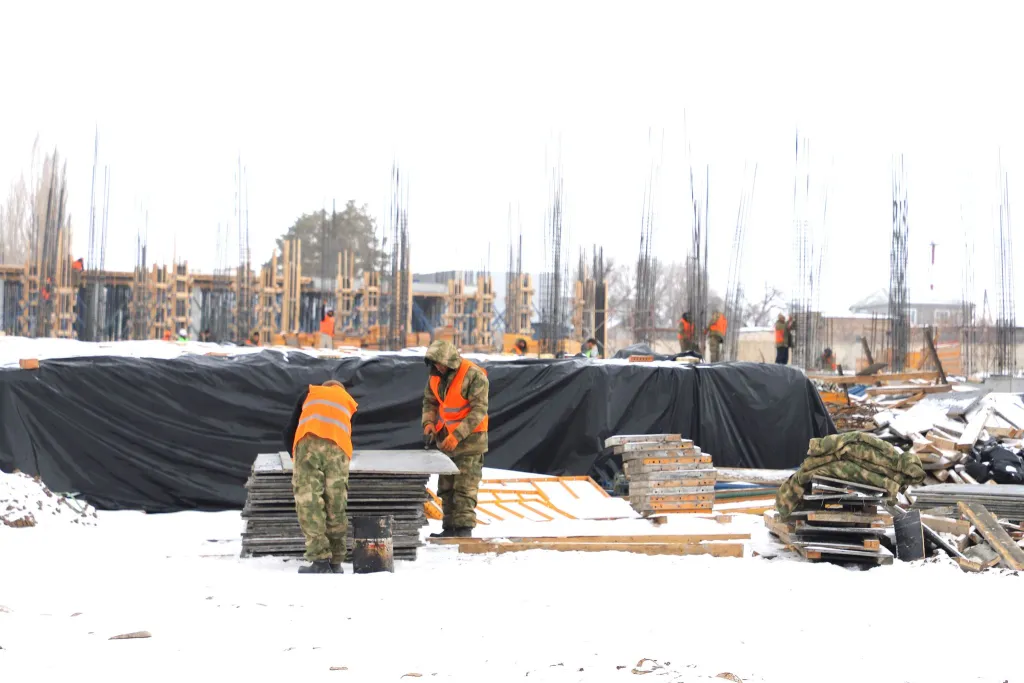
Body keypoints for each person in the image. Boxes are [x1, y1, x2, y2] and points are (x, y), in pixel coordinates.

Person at [283, 379, 358, 574]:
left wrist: (296, 458)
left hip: (309, 444)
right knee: (336, 503)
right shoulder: (349, 402)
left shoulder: (311, 393)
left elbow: (289, 431)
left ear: (325, 387)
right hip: (340, 450)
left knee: (310, 501)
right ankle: (336, 561)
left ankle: (319, 560)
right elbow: (348, 433)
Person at [422, 340, 489, 538]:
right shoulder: (435, 377)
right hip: (446, 442)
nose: (438, 367)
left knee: (464, 488)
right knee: (446, 488)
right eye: (435, 363)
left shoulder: (473, 375)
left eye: (441, 363)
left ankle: (463, 530)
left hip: (470, 442)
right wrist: (428, 423)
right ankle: (449, 528)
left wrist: (457, 435)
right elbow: (430, 402)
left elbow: (479, 410)